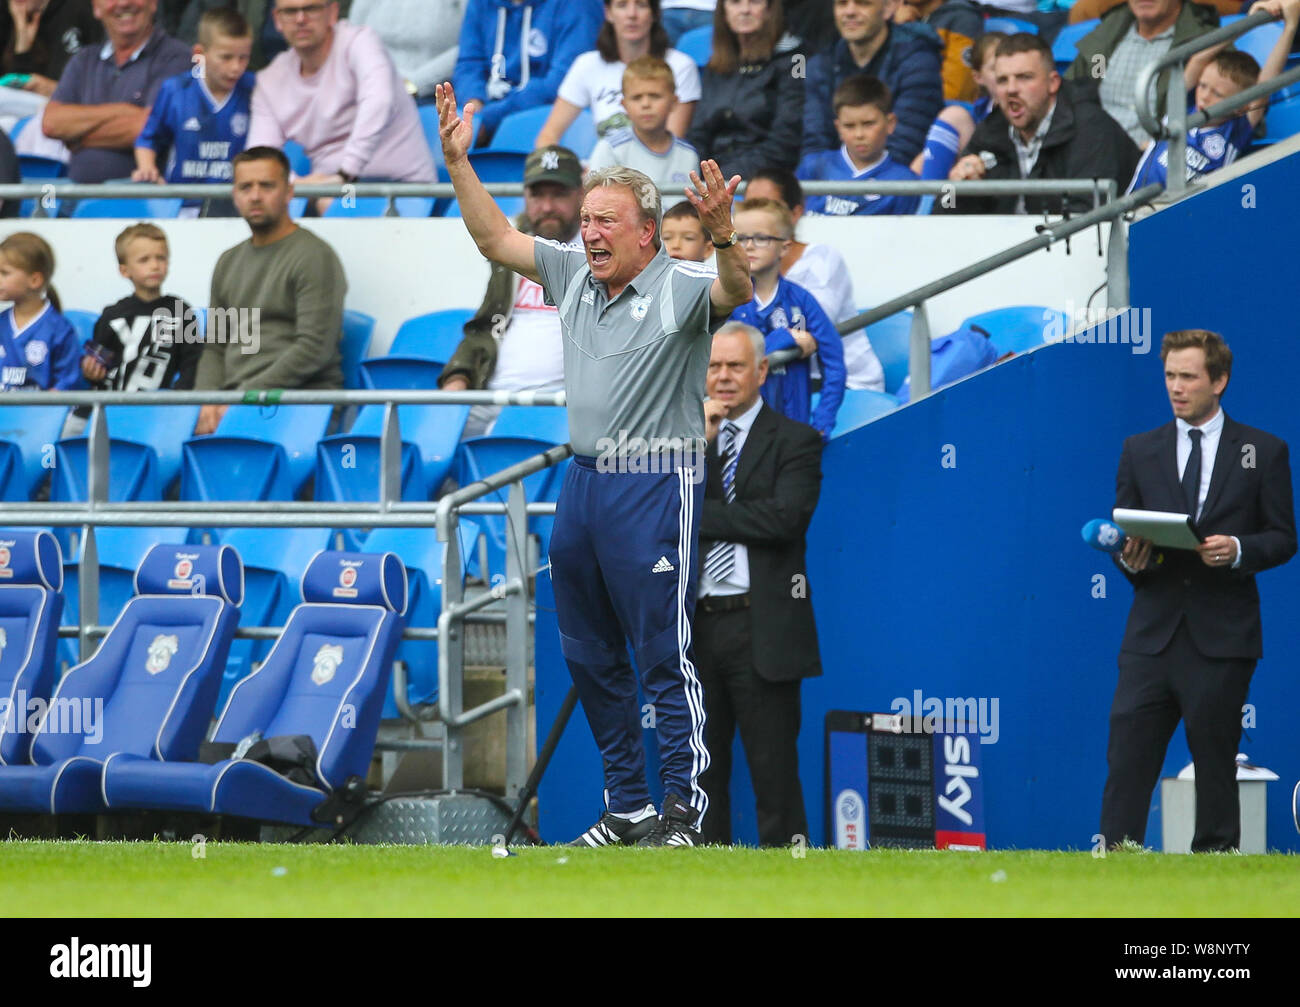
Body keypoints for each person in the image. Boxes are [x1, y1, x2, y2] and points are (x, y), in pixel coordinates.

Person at [436, 79, 753, 847]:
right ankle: (628, 804)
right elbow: (494, 241)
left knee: (662, 653)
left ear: (647, 231)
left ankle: (684, 810)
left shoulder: (678, 283)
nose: (590, 234)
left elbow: (736, 291)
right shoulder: (571, 272)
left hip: (656, 478)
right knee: (585, 650)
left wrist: (721, 235)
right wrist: (457, 164)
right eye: (584, 221)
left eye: (605, 221)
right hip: (583, 482)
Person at [1101, 328, 1296, 852]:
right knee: (1127, 753)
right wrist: (1130, 558)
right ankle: (1115, 857)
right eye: (1169, 375)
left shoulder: (1262, 451)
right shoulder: (1139, 450)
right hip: (1151, 634)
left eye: (1188, 376)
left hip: (1222, 634)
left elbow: (1282, 538)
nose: (1176, 387)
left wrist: (1236, 549)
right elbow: (1128, 538)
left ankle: (1215, 859)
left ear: (1220, 381)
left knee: (1215, 757)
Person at [695, 320, 822, 846]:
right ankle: (704, 887)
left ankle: (791, 893)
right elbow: (658, 515)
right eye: (714, 366)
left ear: (762, 371)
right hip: (696, 631)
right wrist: (697, 447)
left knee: (774, 776)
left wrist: (700, 517)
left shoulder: (798, 441)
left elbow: (784, 520)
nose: (723, 377)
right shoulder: (683, 443)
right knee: (701, 778)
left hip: (762, 628)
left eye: (735, 366)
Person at [193, 145, 347, 434]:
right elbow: (215, 345)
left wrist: (243, 400)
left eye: (266, 186)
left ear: (289, 192)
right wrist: (207, 402)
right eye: (245, 187)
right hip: (238, 402)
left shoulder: (314, 256)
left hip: (298, 405)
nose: (255, 195)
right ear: (234, 195)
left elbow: (315, 349)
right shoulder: (228, 261)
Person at [438, 144, 583, 438]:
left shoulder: (597, 251)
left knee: (502, 449)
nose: (546, 206)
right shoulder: (512, 251)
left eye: (559, 194)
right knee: (415, 436)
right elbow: (484, 326)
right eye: (537, 195)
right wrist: (459, 376)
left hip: (560, 404)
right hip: (489, 394)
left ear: (581, 194)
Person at [247, 0, 434, 208]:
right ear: (277, 19)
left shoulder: (362, 42)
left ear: (333, 11)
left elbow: (379, 101)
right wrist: (297, 183)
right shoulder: (269, 79)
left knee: (330, 203)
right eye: (290, 11)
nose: (301, 19)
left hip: (402, 188)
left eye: (311, 8)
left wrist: (345, 173)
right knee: (261, 204)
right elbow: (259, 155)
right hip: (325, 189)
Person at [944, 33, 1140, 215]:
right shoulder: (991, 130)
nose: (1011, 89)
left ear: (1053, 83)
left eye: (1024, 77)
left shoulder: (1091, 127)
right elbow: (943, 210)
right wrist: (960, 190)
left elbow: (1088, 220)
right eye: (1002, 80)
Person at [1128, 0, 1300, 192]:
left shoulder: (1234, 131)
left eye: (1218, 93)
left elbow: (1265, 86)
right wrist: (1249, 21)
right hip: (1136, 209)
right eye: (1202, 85)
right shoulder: (1180, 106)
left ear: (1240, 106)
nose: (1205, 97)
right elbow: (1198, 59)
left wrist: (1290, 27)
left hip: (1186, 214)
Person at [728, 197, 852, 434]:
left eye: (761, 238)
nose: (749, 246)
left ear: (785, 246)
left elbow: (834, 363)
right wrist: (783, 338)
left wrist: (823, 423)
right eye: (740, 238)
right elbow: (731, 360)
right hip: (740, 432)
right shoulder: (728, 301)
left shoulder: (802, 300)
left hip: (794, 428)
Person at [41, 0, 193, 183]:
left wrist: (78, 139)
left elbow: (147, 127)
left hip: (140, 199)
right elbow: (51, 123)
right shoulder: (84, 60)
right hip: (74, 196)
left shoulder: (177, 57)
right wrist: (123, 110)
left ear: (153, 3)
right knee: (37, 201)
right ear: (96, 8)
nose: (123, 3)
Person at [133, 6, 254, 212]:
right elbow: (148, 139)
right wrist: (147, 168)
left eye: (243, 58)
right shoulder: (176, 90)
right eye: (226, 57)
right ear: (200, 54)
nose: (236, 67)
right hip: (181, 204)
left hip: (235, 206)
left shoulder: (254, 89)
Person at [536, 0, 700, 146]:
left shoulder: (680, 66)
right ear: (608, 12)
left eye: (641, 5)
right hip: (603, 173)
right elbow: (547, 137)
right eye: (622, 5)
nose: (631, 14)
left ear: (655, 13)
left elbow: (671, 147)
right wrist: (572, 171)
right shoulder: (587, 64)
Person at [803, 0, 943, 165]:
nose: (849, 12)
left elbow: (906, 146)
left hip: (897, 182)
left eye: (863, 3)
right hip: (834, 182)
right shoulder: (820, 65)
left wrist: (857, 183)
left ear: (888, 8)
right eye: (842, 3)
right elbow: (815, 144)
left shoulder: (919, 61)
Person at [1065, 0, 1220, 149]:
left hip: (1157, 162)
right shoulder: (1107, 34)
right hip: (1091, 152)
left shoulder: (1205, 44)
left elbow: (1222, 116)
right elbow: (1067, 95)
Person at [686, 0, 805, 179]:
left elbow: (786, 140)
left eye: (754, 2)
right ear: (723, 12)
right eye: (735, 2)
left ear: (770, 9)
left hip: (765, 179)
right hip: (714, 178)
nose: (745, 10)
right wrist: (697, 173)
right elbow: (699, 133)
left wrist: (723, 178)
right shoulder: (717, 64)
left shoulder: (796, 58)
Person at [451, 0, 603, 140]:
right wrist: (473, 108)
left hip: (548, 126)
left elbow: (562, 82)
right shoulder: (480, 3)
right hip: (486, 120)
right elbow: (468, 63)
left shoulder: (579, 4)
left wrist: (487, 119)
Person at [80, 223, 200, 395]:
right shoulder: (112, 315)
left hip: (158, 411)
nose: (155, 265)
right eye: (144, 260)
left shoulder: (180, 312)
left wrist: (176, 402)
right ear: (124, 270)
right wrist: (90, 371)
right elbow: (98, 365)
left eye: (161, 258)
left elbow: (193, 364)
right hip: (110, 406)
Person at [796, 74, 920, 216]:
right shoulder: (814, 166)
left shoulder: (904, 181)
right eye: (849, 126)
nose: (859, 134)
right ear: (838, 128)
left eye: (868, 124)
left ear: (890, 123)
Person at [586, 55, 698, 206]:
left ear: (674, 102)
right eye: (637, 97)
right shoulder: (610, 149)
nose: (646, 104)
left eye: (655, 96)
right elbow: (597, 206)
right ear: (624, 105)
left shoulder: (688, 154)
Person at [913, 29, 1003, 179]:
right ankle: (930, 200)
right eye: (995, 68)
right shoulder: (972, 115)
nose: (1003, 74)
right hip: (955, 192)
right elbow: (919, 167)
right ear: (978, 77)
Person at [0, 231, 80, 392]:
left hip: (41, 416)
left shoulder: (60, 330)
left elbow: (66, 383)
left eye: (4, 273)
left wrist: (43, 412)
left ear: (35, 280)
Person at [348, 0, 464, 102]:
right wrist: (375, 80)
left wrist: (412, 85)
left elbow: (470, 47)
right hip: (370, 88)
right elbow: (355, 39)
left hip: (432, 96)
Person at [0, 0, 102, 97]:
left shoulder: (81, 9)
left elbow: (104, 87)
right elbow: (14, 94)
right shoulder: (10, 15)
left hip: (73, 110)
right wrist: (22, 48)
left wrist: (56, 90)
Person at [891, 0, 984, 102]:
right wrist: (897, 29)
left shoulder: (964, 18)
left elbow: (957, 93)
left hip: (937, 110)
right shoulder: (899, 18)